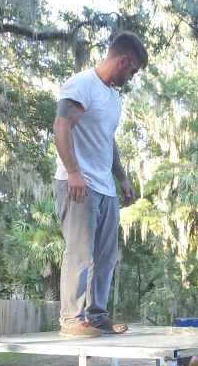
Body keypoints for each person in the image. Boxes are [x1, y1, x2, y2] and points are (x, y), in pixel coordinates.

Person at [52, 32, 147, 337]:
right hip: (78, 184)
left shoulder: (113, 98)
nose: (130, 78)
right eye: (132, 71)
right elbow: (62, 124)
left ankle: (97, 314)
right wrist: (73, 172)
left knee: (107, 256)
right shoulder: (83, 85)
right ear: (124, 60)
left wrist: (122, 177)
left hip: (104, 187)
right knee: (80, 252)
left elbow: (108, 141)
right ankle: (71, 318)